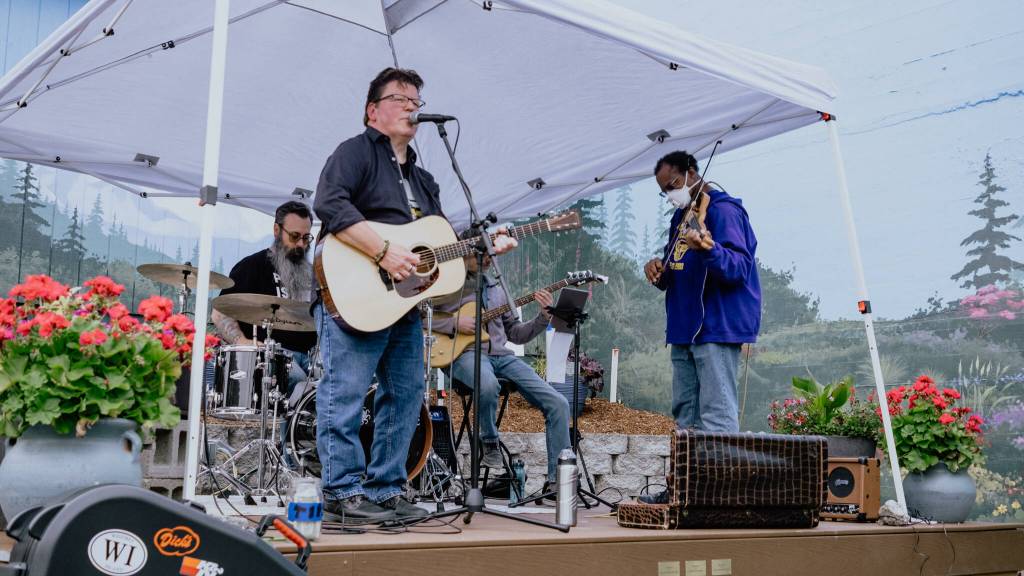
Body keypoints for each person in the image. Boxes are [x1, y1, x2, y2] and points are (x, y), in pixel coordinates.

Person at [312, 67, 516, 523]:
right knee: (344, 393)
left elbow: (440, 250)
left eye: (416, 100)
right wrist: (383, 251)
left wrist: (482, 249)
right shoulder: (354, 153)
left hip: (403, 305)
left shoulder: (425, 182)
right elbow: (328, 203)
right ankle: (340, 493)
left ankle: (385, 490)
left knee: (405, 396)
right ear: (372, 111)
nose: (412, 106)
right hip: (352, 296)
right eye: (400, 98)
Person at [639, 150, 761, 503]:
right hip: (684, 329)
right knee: (686, 416)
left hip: (716, 327)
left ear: (692, 172)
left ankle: (721, 493)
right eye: (664, 190)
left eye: (674, 184)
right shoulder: (681, 216)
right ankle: (685, 491)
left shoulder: (724, 210)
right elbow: (675, 265)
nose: (670, 193)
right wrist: (657, 271)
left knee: (717, 414)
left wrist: (708, 249)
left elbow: (738, 267)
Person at [434, 249, 571, 493]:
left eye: (491, 254)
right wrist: (453, 323)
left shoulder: (498, 289)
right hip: (464, 354)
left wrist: (543, 317)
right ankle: (489, 443)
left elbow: (517, 335)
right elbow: (421, 316)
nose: (489, 259)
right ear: (467, 252)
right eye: (484, 253)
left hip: (502, 358)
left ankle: (557, 484)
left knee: (558, 403)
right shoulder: (446, 282)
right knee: (487, 383)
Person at [213, 200, 317, 465]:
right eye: (294, 237)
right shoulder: (253, 266)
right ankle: (291, 468)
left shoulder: (313, 274)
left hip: (311, 356)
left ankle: (325, 470)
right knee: (302, 387)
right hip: (272, 356)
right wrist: (244, 342)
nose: (301, 245)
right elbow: (220, 312)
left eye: (307, 238)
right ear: (276, 230)